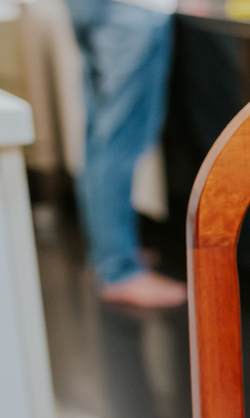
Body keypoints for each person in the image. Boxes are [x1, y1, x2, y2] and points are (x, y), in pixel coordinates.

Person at [65, 0, 187, 307]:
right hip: (130, 8)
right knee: (118, 141)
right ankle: (119, 270)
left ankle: (108, 252)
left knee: (101, 136)